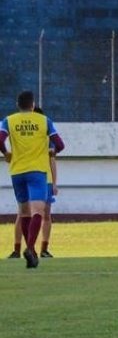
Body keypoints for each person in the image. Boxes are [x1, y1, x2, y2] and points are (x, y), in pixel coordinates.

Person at [0, 91, 65, 268]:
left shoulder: (9, 120)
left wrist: (6, 153)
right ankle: (30, 248)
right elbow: (60, 144)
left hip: (17, 171)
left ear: (17, 104)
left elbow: (0, 138)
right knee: (38, 211)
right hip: (37, 171)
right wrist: (53, 152)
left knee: (23, 212)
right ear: (33, 104)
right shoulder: (44, 121)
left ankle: (31, 252)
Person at [10, 107, 58, 259]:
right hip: (32, 174)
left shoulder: (45, 137)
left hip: (45, 178)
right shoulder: (24, 135)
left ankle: (43, 248)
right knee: (23, 213)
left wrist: (54, 182)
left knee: (45, 214)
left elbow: (52, 160)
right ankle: (20, 249)